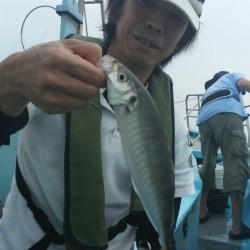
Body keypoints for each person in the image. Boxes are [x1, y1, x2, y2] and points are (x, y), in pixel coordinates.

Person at [0, 0, 204, 249]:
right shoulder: (54, 67)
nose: (156, 24)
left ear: (183, 37)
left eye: (176, 18)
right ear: (117, 8)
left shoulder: (173, 123)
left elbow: (168, 203)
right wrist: (9, 79)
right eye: (147, 2)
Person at [197, 71, 250, 240]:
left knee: (207, 163)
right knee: (236, 163)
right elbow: (243, 84)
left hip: (203, 119)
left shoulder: (210, 89)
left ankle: (202, 212)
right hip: (226, 114)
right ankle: (236, 228)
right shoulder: (232, 75)